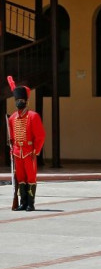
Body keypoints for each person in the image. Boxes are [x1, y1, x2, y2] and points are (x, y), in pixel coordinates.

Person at [7, 76, 45, 212]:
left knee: (31, 178)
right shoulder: (12, 118)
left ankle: (30, 203)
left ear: (26, 101)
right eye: (17, 100)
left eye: (22, 100)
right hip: (17, 152)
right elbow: (11, 137)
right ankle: (22, 202)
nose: (19, 102)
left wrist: (36, 151)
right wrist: (11, 148)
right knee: (21, 178)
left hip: (29, 152)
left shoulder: (33, 116)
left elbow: (40, 136)